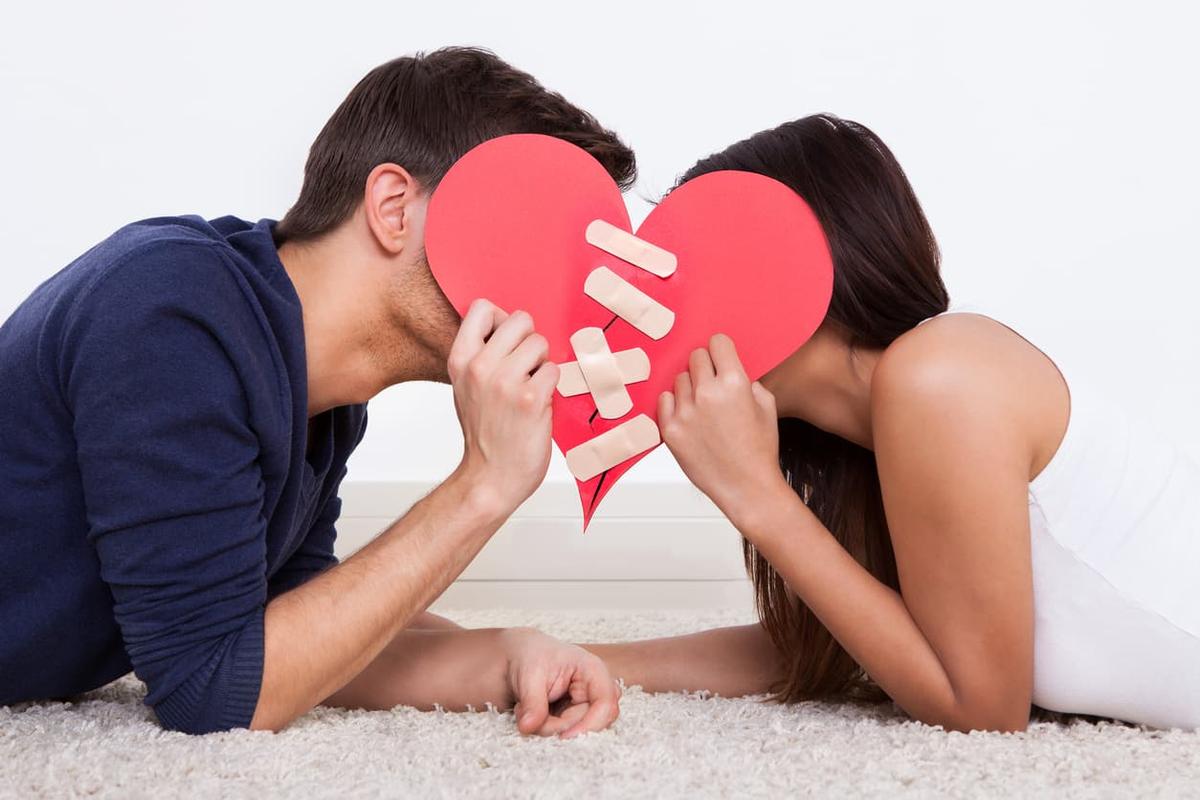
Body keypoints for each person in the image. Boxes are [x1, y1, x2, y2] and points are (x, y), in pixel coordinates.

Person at [0, 47, 635, 736]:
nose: (557, 301)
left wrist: (511, 652)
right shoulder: (172, 310)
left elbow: (295, 632)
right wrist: (484, 485)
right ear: (393, 207)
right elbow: (213, 692)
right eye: (530, 242)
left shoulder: (315, 390)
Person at [588, 114, 1200, 731]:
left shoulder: (938, 376)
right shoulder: (889, 427)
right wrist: (587, 660)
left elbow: (984, 710)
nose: (668, 319)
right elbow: (834, 646)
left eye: (694, 277)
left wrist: (758, 497)